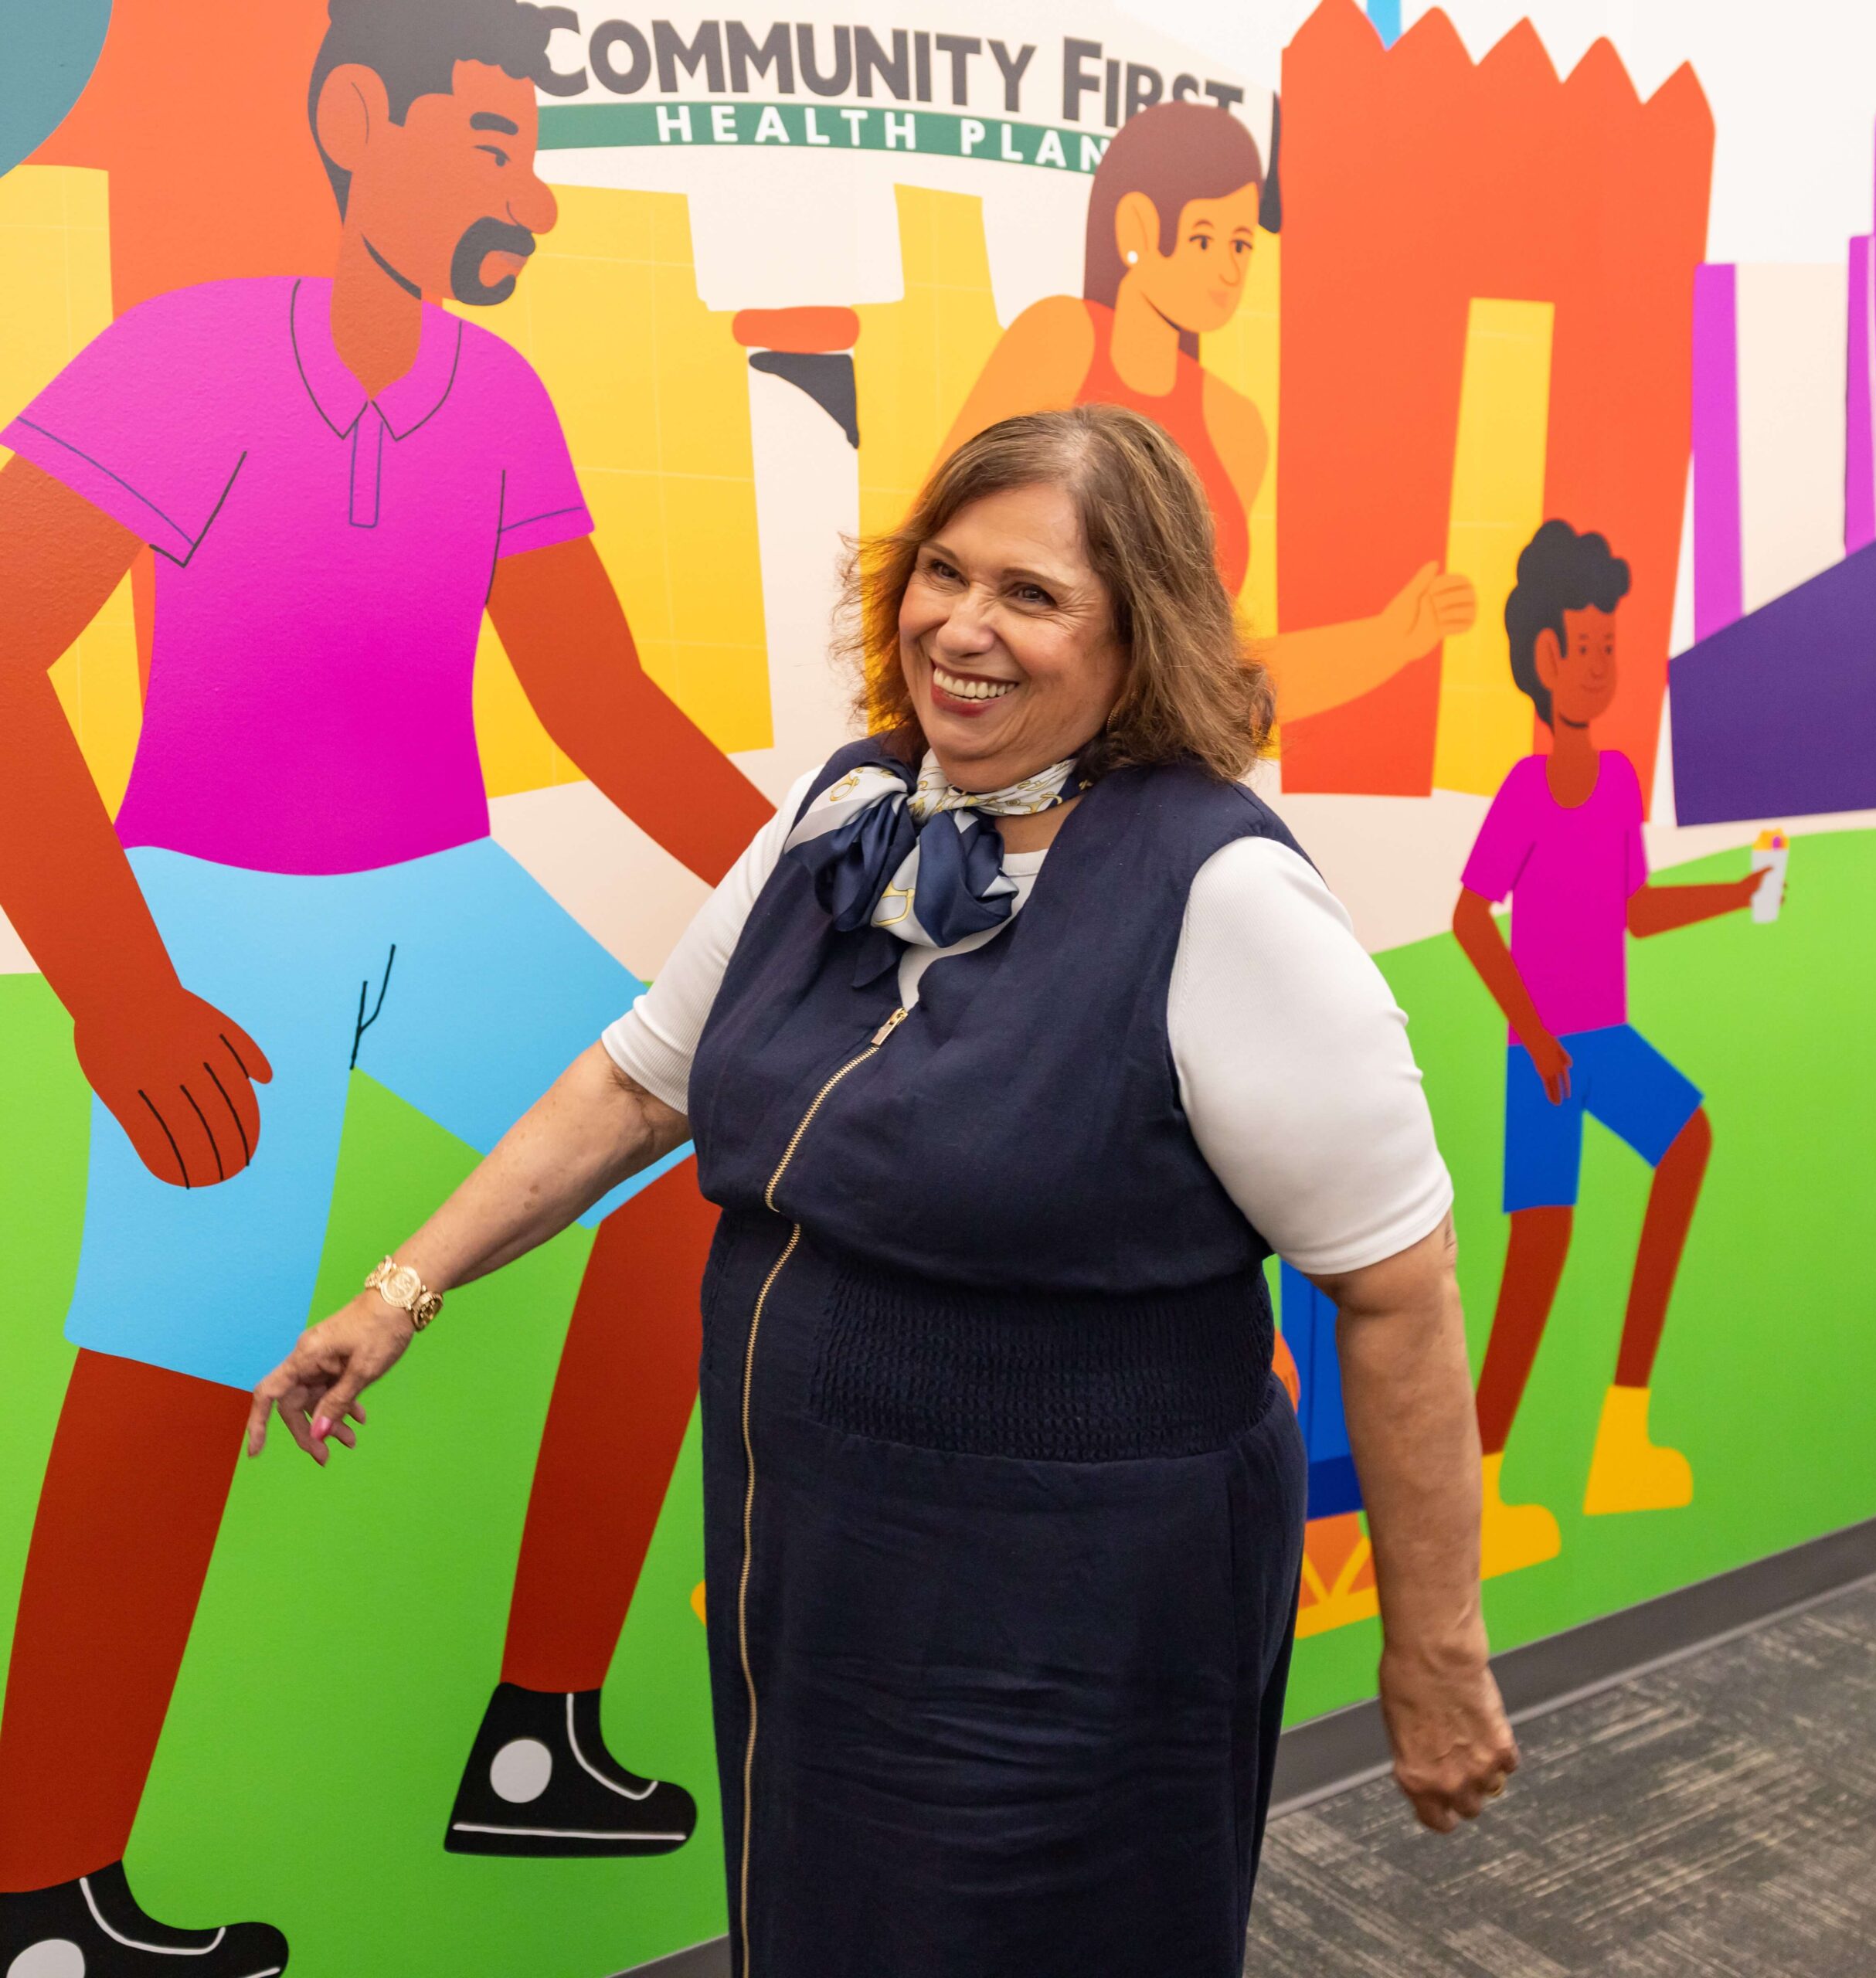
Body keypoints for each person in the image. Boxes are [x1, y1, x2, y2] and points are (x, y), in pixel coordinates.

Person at [251, 406, 1517, 1977]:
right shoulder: (848, 812)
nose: (958, 627)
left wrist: (1433, 1653)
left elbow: (1397, 1288)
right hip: (821, 1562)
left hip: (1080, 1601)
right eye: (940, 571)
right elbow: (637, 1080)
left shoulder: (1223, 894)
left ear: (1144, 631)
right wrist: (399, 1291)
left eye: (1031, 594)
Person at [0, 2, 767, 1966]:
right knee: (179, 1352)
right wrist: (118, 984)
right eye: (491, 140)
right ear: (359, 120)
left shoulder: (497, 396)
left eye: (532, 153)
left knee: (684, 1168)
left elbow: (594, 697)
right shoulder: (184, 358)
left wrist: (810, 876)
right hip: (219, 912)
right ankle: (37, 1893)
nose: (526, 188)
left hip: (443, 889)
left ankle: (534, 1738)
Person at [940, 99, 1477, 722]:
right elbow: (941, 559)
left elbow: (1206, 672)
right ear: (1139, 228)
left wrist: (1389, 640)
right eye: (1203, 237)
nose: (1227, 269)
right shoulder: (1062, 337)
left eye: (1242, 244)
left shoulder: (1235, 425)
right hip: (1009, 742)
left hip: (1143, 772)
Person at [1453, 521, 1769, 1579]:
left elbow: (1632, 911)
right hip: (1544, 1055)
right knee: (1537, 1269)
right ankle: (1486, 1487)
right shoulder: (1527, 794)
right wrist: (1534, 1037)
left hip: (1607, 1038)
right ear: (1545, 662)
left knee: (1688, 1144)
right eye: (1586, 647)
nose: (1602, 664)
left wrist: (1734, 892)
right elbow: (1469, 917)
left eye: (1610, 648)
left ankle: (1620, 1434)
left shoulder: (1621, 781)